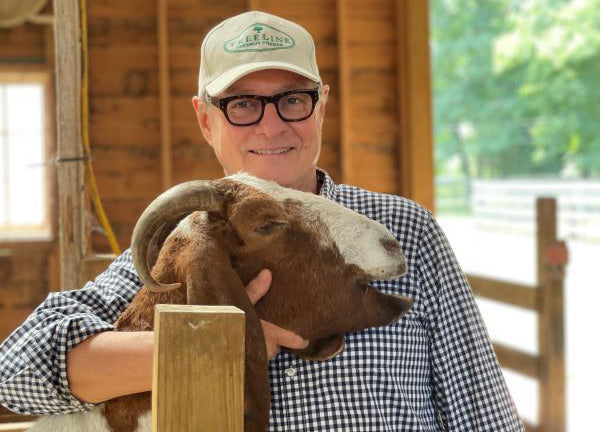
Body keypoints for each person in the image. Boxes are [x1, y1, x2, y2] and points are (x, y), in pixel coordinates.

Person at [0, 11, 525, 431]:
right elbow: (15, 373)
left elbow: (482, 412)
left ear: (321, 108)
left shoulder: (403, 229)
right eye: (243, 104)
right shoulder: (183, 245)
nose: (272, 125)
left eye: (293, 99)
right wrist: (214, 340)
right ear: (206, 119)